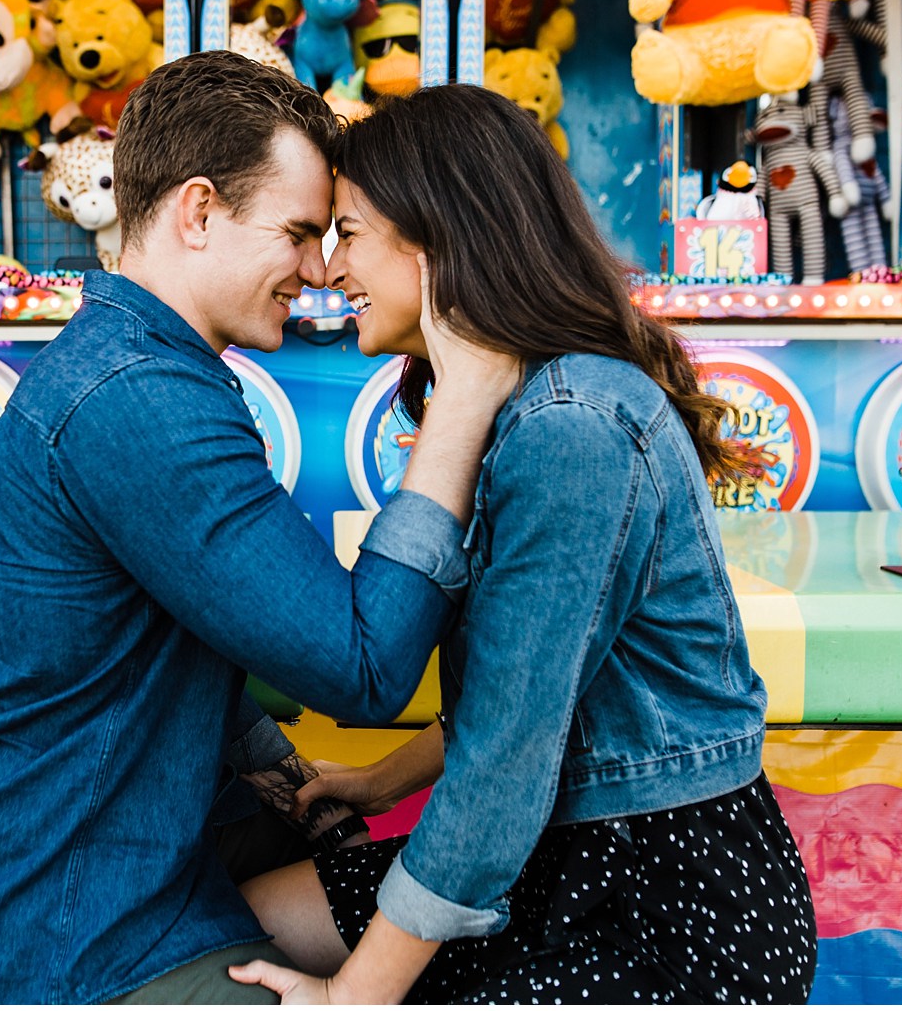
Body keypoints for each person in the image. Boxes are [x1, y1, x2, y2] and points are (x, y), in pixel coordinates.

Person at [0, 52, 522, 1004]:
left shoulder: (130, 370)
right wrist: (464, 405)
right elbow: (363, 667)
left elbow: (165, 637)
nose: (320, 271)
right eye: (300, 233)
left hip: (103, 893)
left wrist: (282, 776)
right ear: (198, 212)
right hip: (69, 941)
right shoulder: (138, 402)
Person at [229, 84, 818, 1005]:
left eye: (347, 231)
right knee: (245, 920)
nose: (325, 267)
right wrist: (381, 782)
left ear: (436, 237)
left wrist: (354, 999)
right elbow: (532, 685)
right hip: (568, 849)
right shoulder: (518, 400)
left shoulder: (569, 426)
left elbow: (506, 761)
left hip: (660, 901)